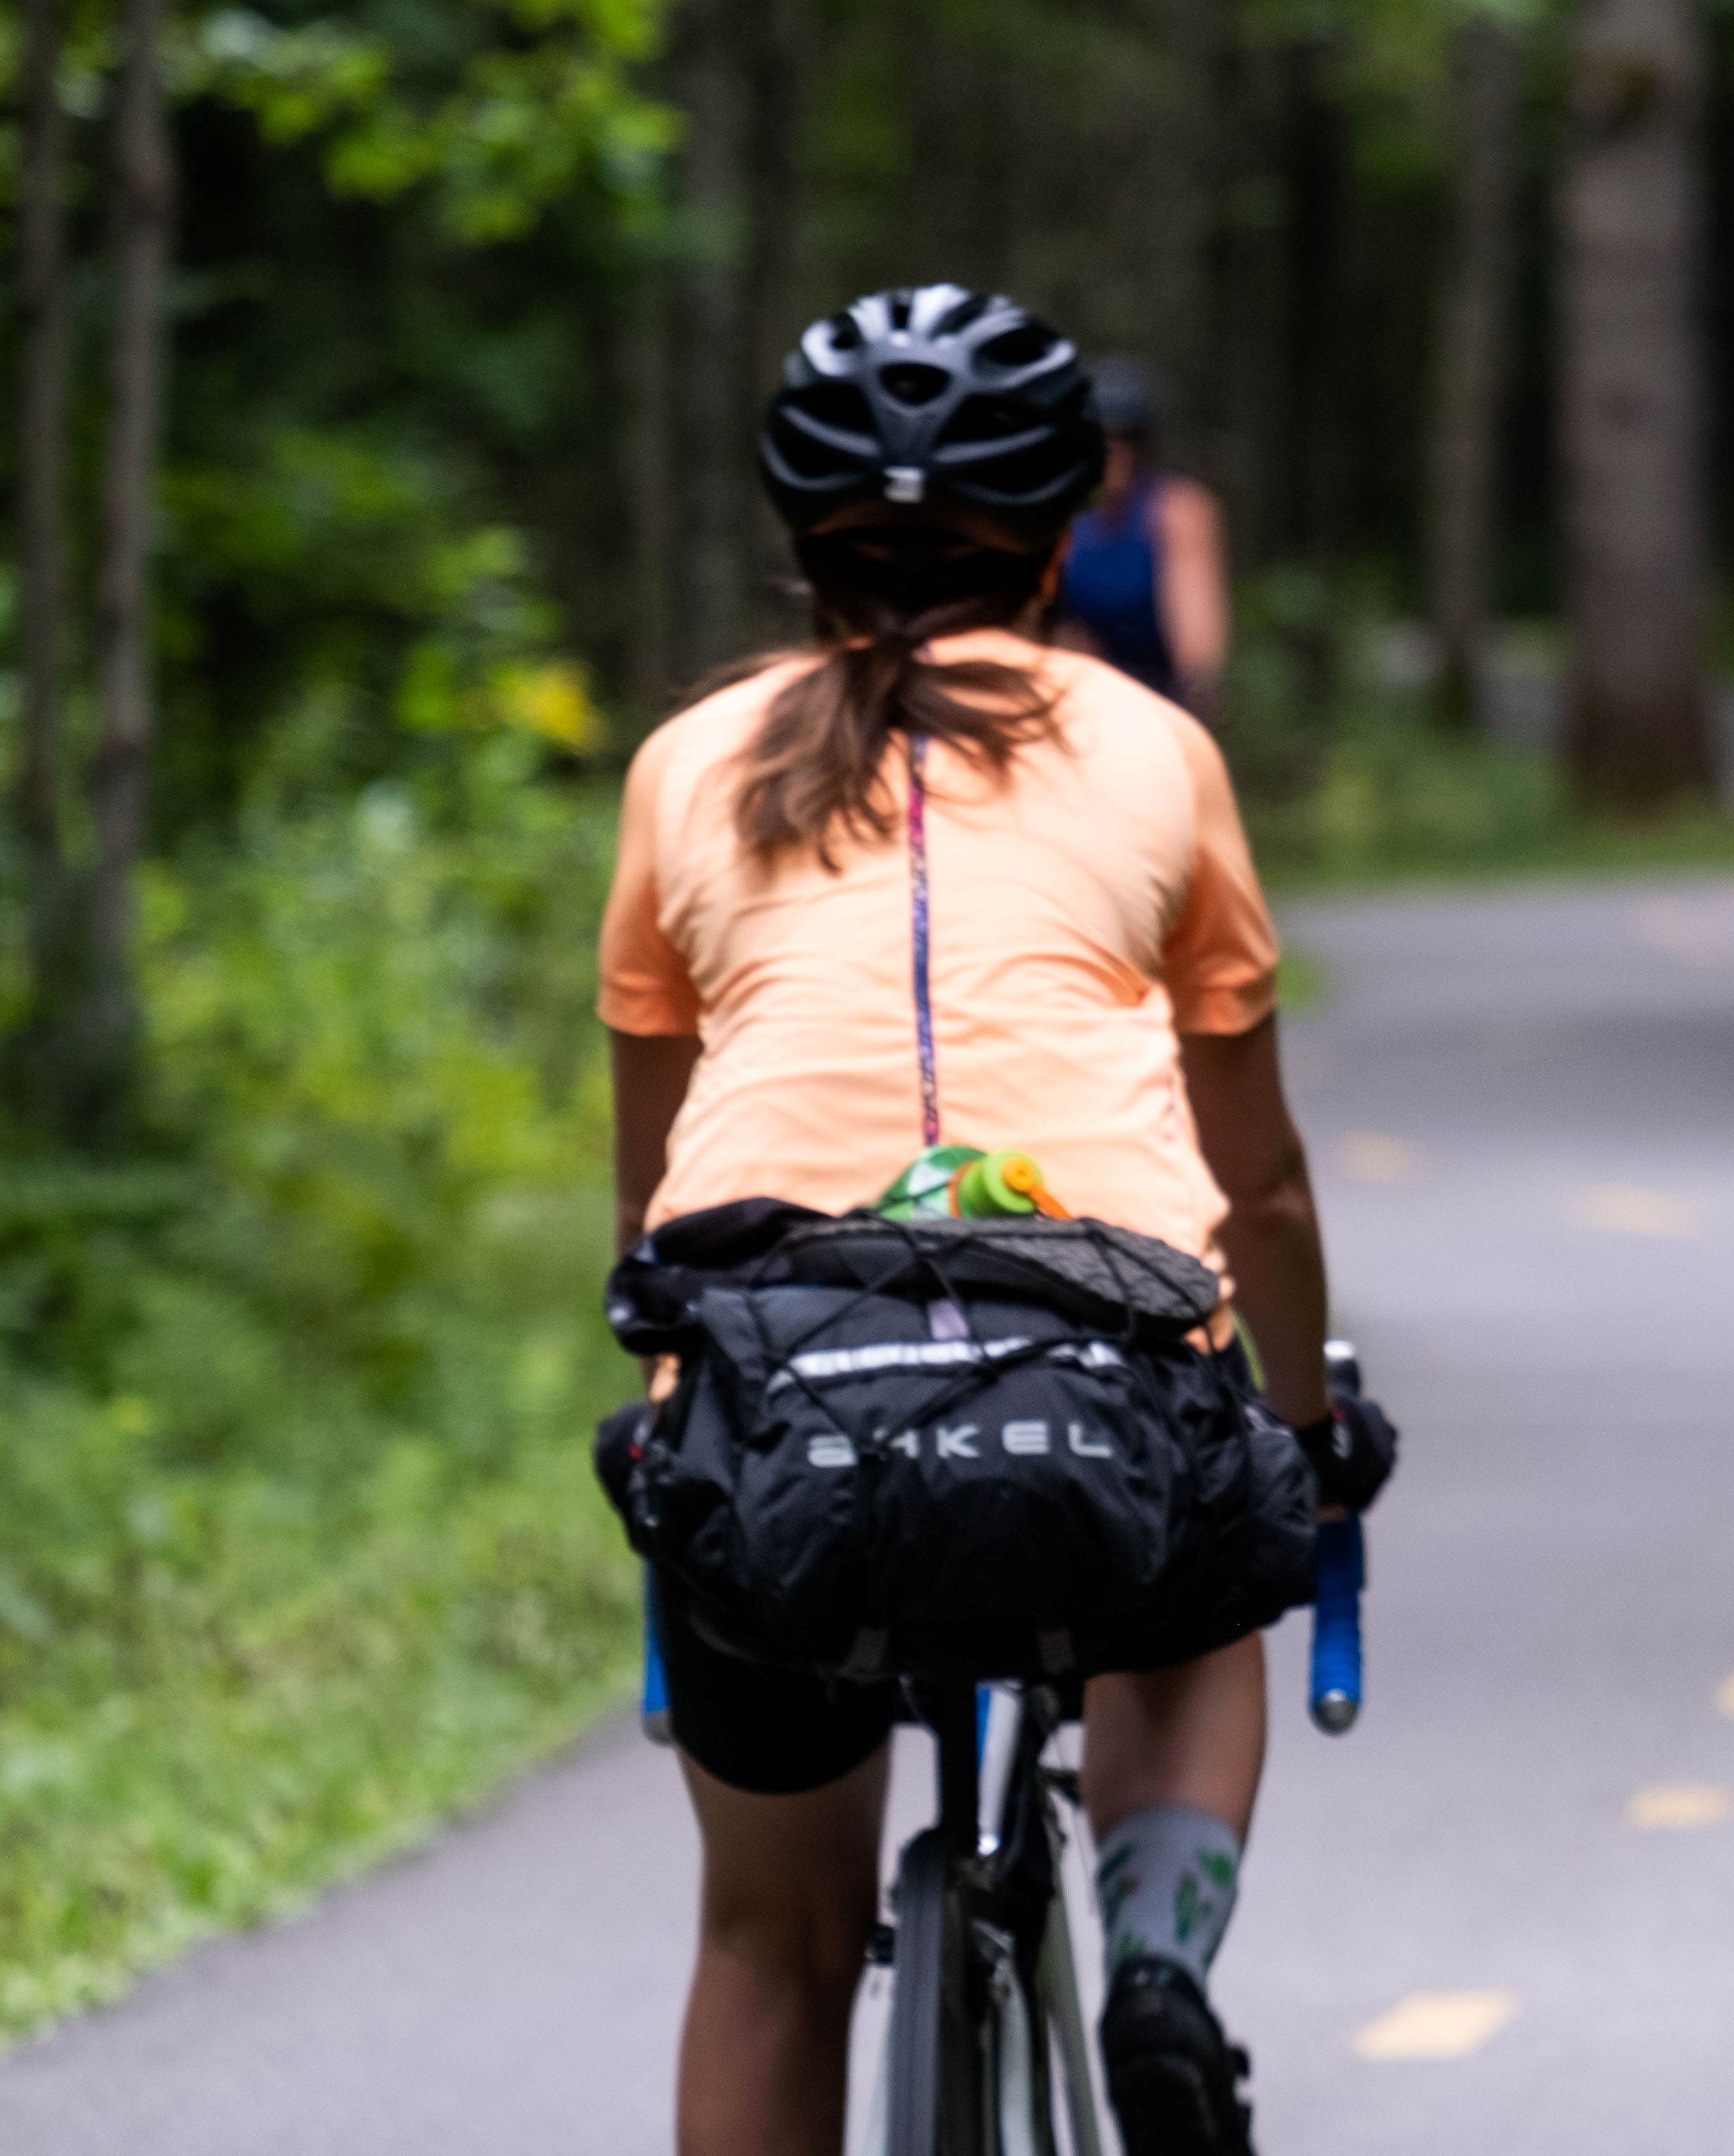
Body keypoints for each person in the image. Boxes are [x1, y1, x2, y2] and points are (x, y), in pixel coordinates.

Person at [597, 285, 1389, 2156]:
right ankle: (1159, 1958)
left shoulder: (687, 766)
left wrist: (672, 1408)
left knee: (772, 1940)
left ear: (797, 537)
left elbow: (650, 1206)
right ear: (1062, 533)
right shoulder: (1149, 756)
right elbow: (1255, 1180)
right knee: (1206, 1562)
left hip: (780, 1397)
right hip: (1101, 1367)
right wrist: (1299, 1428)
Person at [1056, 357, 1230, 714]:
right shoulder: (1064, 513)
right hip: (1079, 689)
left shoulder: (1176, 510)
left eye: (1125, 439)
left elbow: (1198, 644)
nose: (1112, 452)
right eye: (1100, 438)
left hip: (1159, 695)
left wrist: (1195, 694)